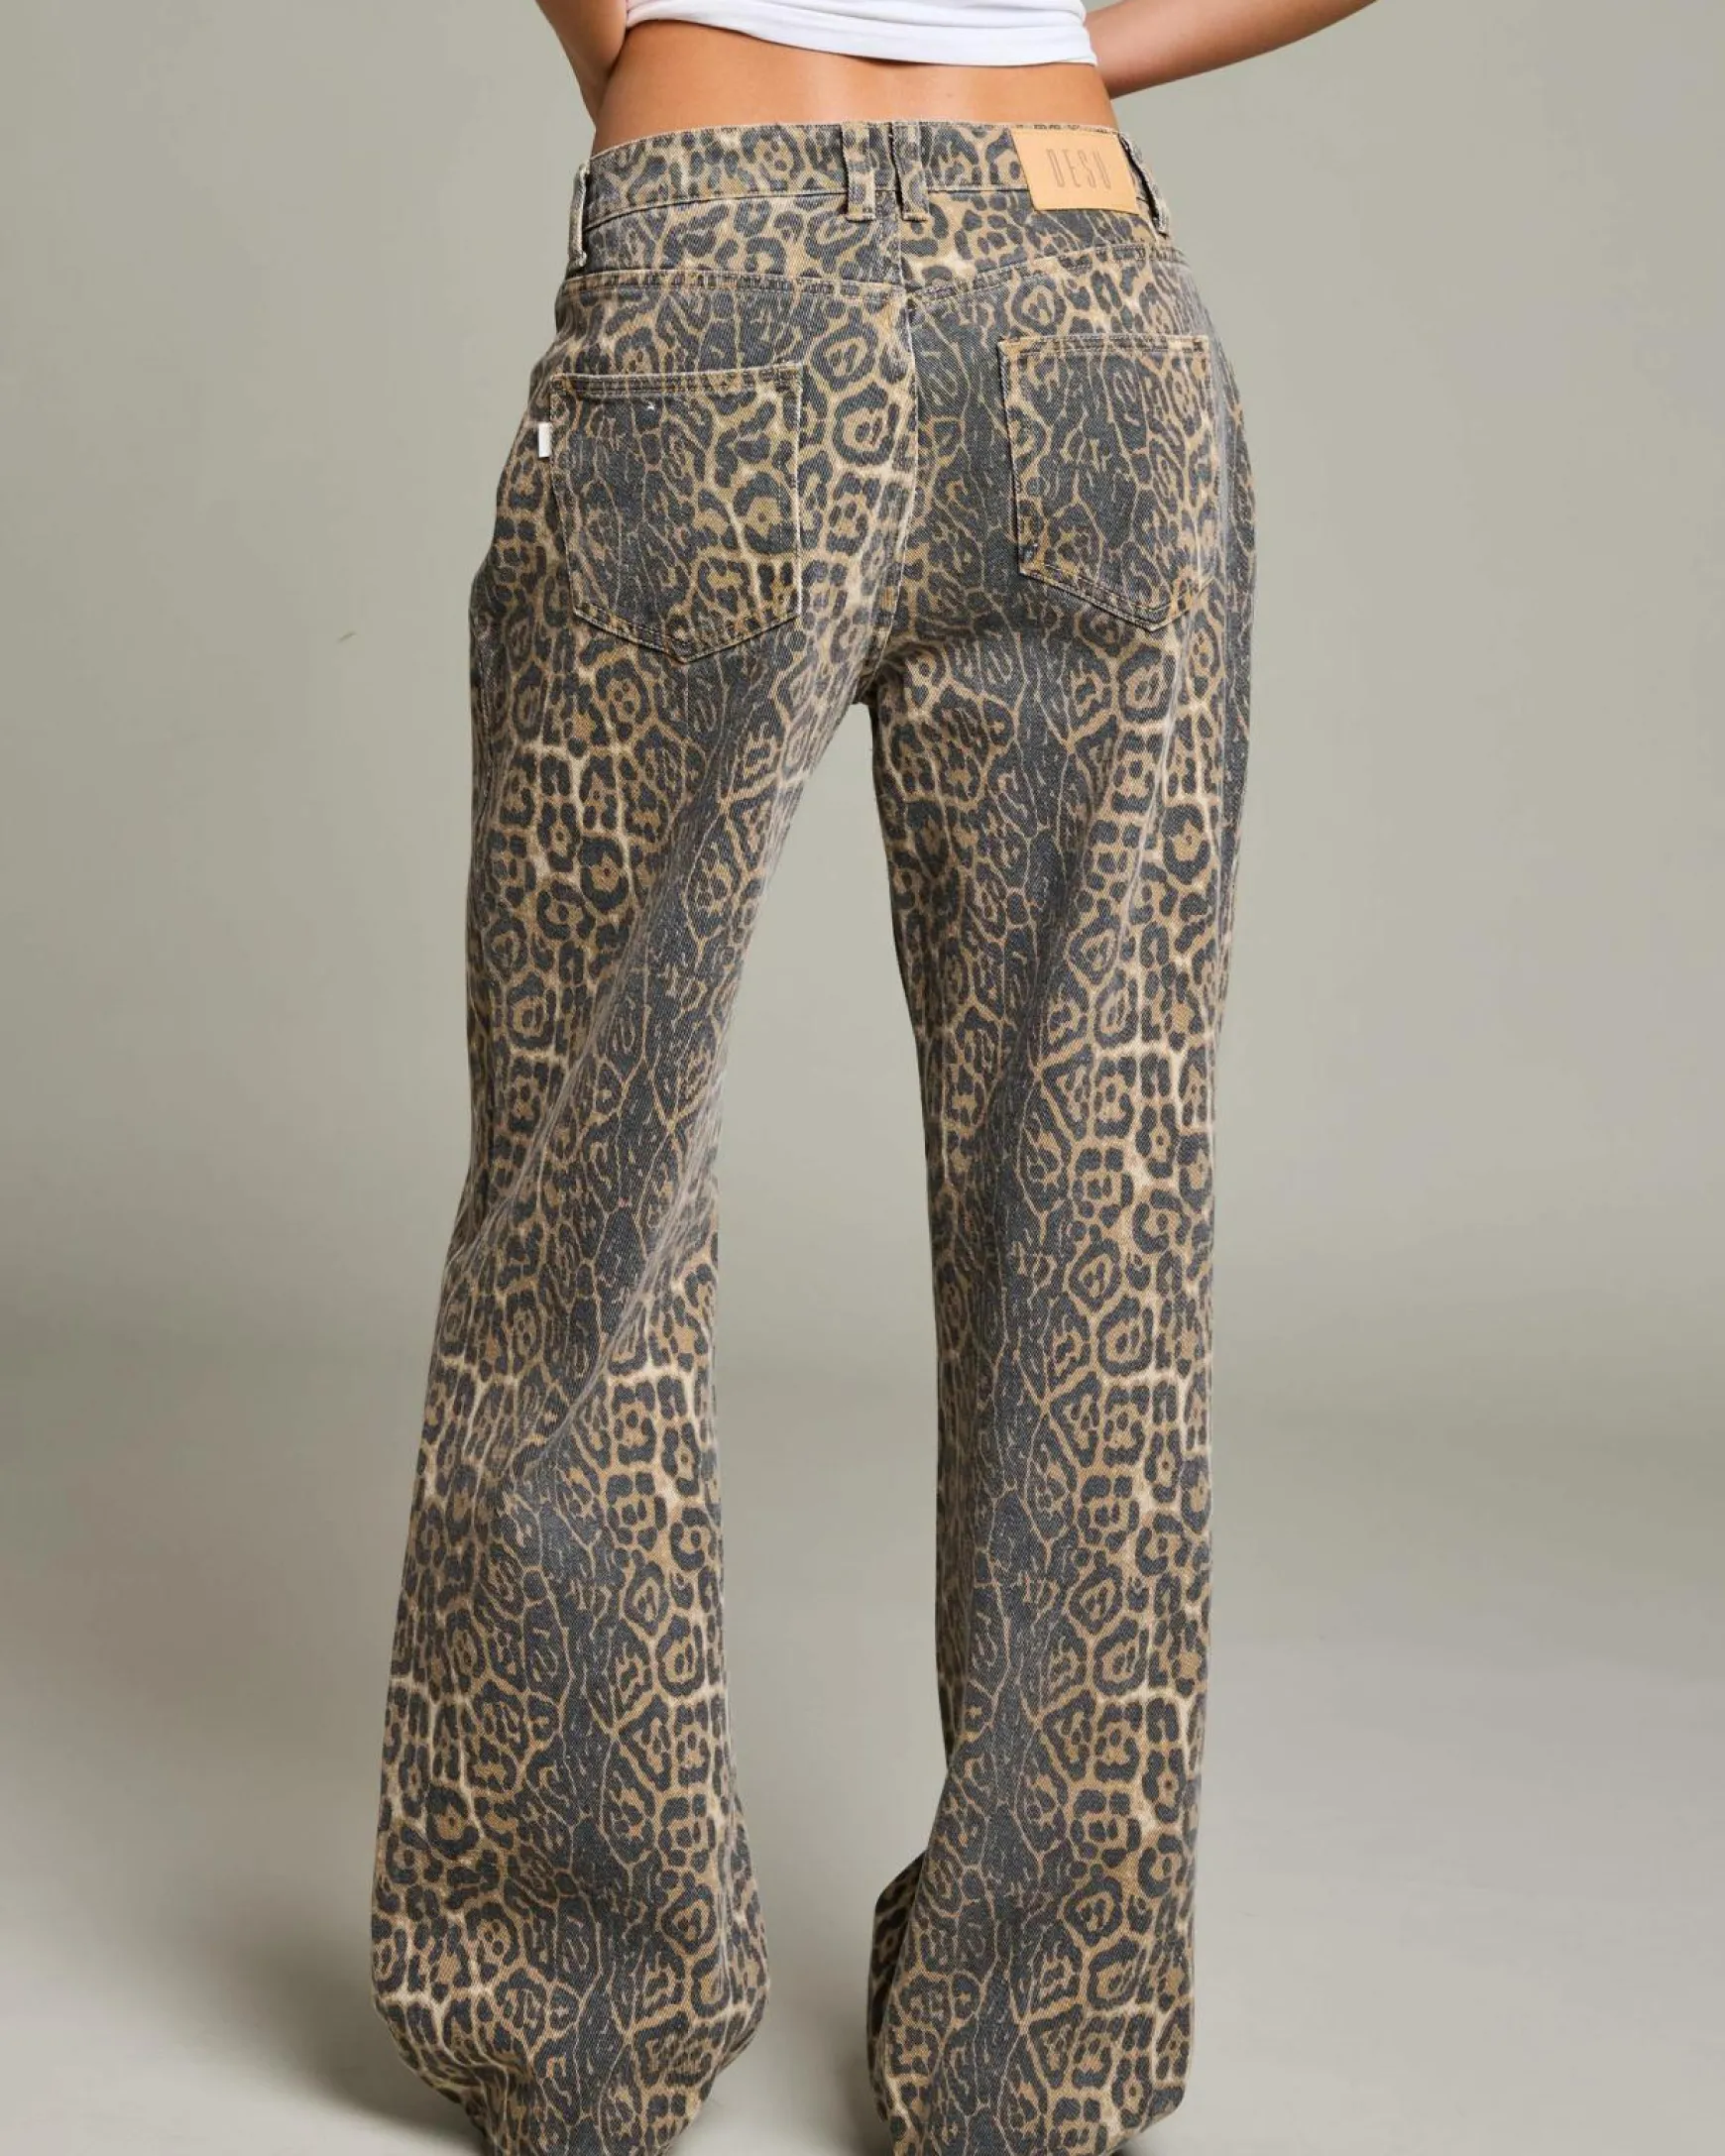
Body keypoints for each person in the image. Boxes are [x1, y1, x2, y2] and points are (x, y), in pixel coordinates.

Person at [369, 4, 1375, 2153]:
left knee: (590, 1184)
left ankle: (578, 2013)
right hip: (1090, 294)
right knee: (1095, 1218)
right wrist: (1044, 44)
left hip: (726, 261)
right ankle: (1036, 2054)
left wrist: (644, 46)